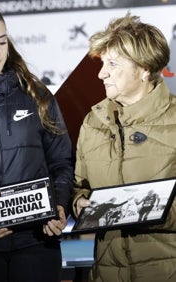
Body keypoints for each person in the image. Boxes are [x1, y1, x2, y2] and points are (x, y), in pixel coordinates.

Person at [0, 1, 74, 282]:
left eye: (1, 41)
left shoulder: (35, 93)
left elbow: (61, 161)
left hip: (37, 244)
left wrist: (58, 205)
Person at [73, 12, 176, 282]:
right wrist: (79, 203)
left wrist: (137, 209)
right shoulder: (92, 122)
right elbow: (79, 186)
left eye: (113, 63)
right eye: (102, 62)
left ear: (144, 68)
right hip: (105, 273)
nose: (100, 73)